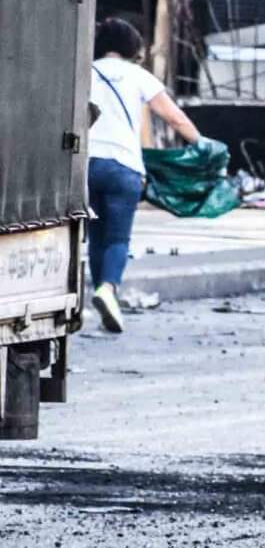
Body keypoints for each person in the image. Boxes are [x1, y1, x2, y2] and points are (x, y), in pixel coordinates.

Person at [86, 17, 201, 333]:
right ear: (130, 48)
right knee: (117, 238)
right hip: (123, 166)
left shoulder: (84, 71)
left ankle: (101, 293)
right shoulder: (138, 75)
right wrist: (202, 145)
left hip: (86, 165)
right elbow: (174, 118)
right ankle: (108, 289)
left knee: (96, 238)